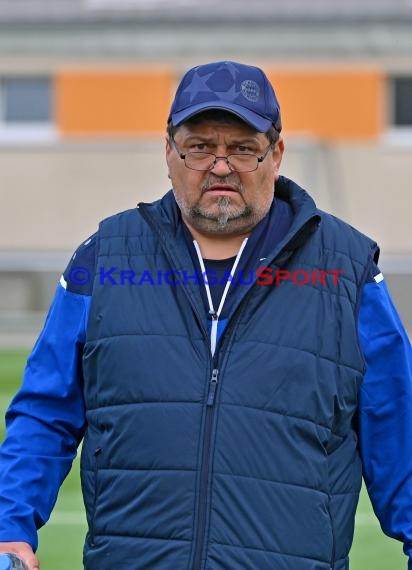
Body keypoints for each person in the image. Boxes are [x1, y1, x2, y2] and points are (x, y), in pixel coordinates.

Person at [0, 60, 411, 570]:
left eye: (242, 148)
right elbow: (44, 413)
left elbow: (399, 426)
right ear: (168, 152)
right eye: (199, 148)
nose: (220, 166)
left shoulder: (346, 271)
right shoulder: (104, 259)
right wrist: (9, 527)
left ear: (275, 154)